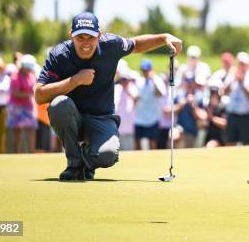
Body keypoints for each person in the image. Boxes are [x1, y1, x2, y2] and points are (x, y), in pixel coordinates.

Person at [33, 12, 182, 181]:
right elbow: (39, 95)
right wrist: (76, 80)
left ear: (100, 35)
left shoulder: (111, 45)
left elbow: (136, 44)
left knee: (108, 155)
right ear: (70, 36)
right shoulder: (58, 55)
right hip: (72, 117)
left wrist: (164, 37)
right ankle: (74, 165)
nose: (86, 43)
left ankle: (86, 163)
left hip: (101, 118)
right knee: (59, 104)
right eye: (80, 37)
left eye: (91, 37)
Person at [224, 52, 249, 145]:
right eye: (240, 63)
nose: (242, 66)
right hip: (232, 115)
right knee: (230, 142)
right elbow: (224, 91)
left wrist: (242, 83)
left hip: (246, 116)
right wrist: (233, 80)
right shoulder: (232, 75)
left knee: (247, 143)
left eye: (243, 64)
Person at [7, 54, 38, 153]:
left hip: (29, 106)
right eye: (28, 68)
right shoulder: (15, 76)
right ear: (23, 67)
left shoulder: (31, 76)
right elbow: (15, 93)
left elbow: (34, 89)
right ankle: (18, 154)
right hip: (16, 107)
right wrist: (29, 95)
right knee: (18, 131)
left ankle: (32, 153)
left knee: (31, 129)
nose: (29, 70)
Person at [134, 60, 165, 150]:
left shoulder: (157, 80)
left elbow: (159, 94)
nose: (144, 72)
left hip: (153, 118)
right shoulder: (139, 81)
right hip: (139, 118)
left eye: (146, 70)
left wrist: (153, 80)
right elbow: (136, 97)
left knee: (152, 142)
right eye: (143, 70)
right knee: (137, 142)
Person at [114, 70, 138, 151]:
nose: (124, 82)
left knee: (129, 148)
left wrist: (127, 90)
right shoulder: (117, 88)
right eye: (123, 80)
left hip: (130, 124)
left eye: (126, 80)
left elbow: (136, 99)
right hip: (118, 125)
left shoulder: (133, 88)